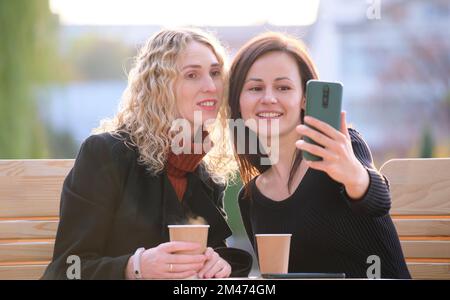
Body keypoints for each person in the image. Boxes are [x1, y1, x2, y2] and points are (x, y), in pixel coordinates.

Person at [42, 28, 252, 280]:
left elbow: (211, 258)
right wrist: (134, 267)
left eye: (216, 73)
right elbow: (66, 269)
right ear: (159, 85)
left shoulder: (203, 171)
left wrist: (220, 264)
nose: (210, 86)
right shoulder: (105, 154)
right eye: (192, 75)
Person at [228, 32, 411, 278]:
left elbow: (378, 199)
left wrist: (355, 177)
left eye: (283, 87)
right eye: (255, 88)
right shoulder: (250, 199)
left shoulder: (338, 150)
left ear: (305, 98)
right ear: (238, 101)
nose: (268, 98)